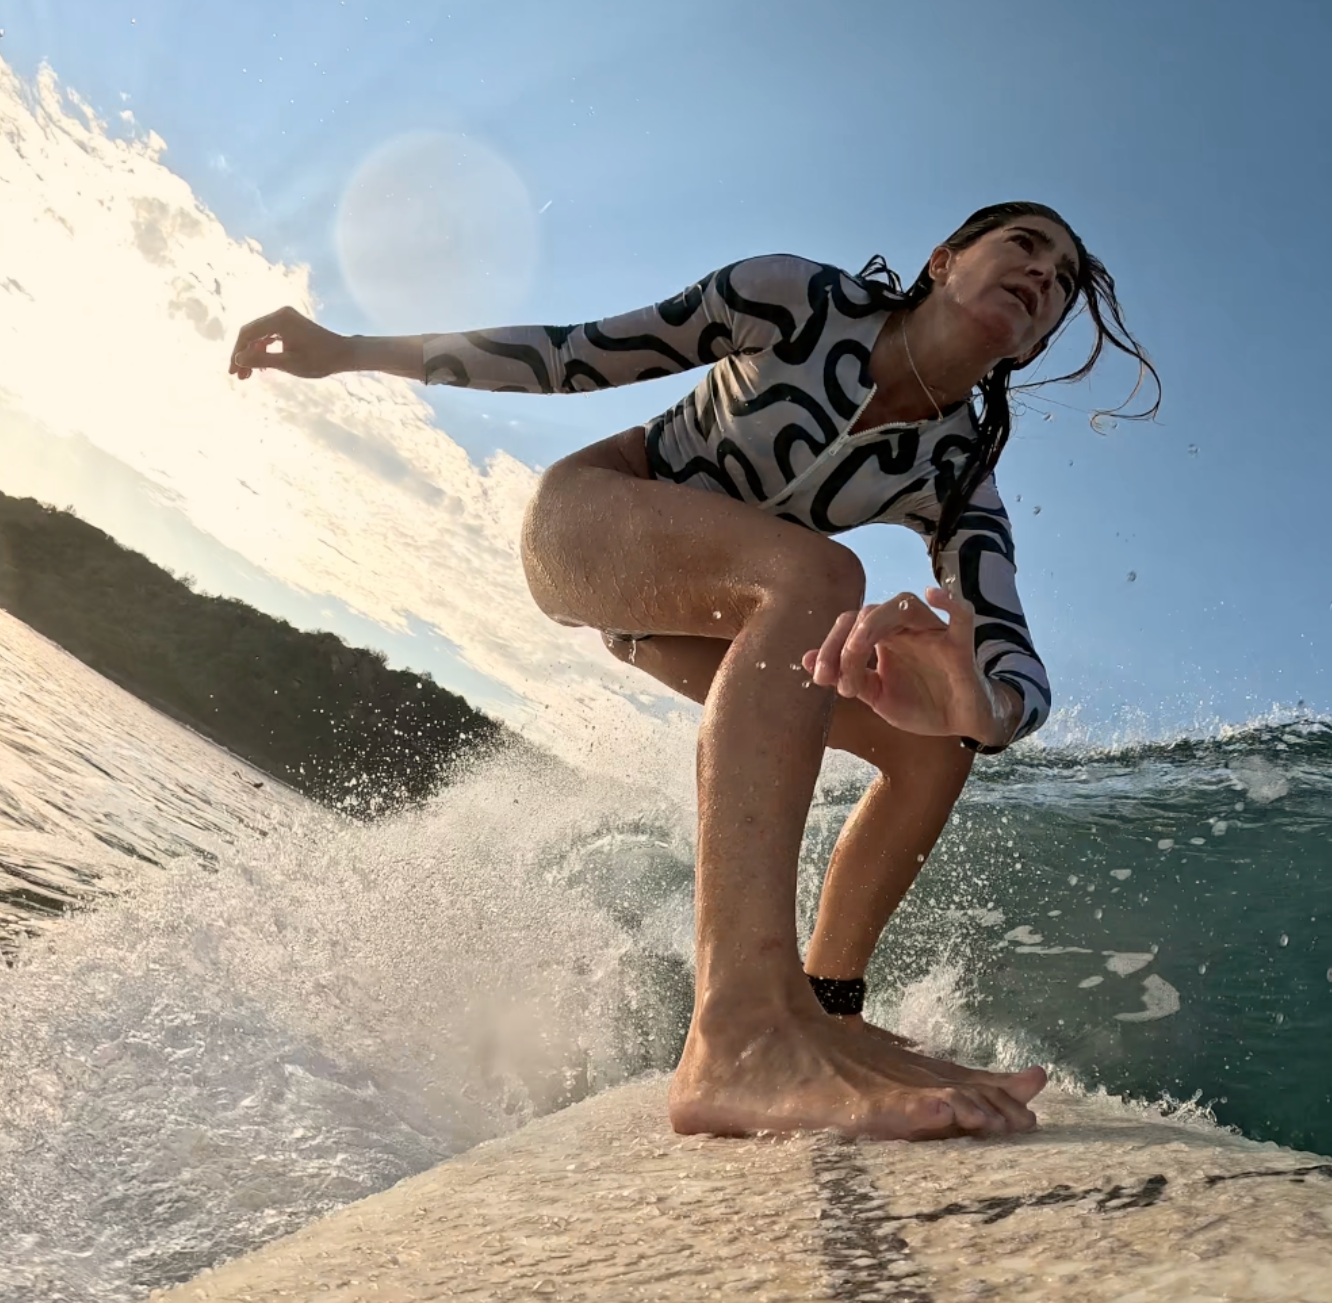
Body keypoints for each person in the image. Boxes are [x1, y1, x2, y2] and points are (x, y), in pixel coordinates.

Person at [229, 201, 1158, 1141]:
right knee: (821, 575)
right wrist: (346, 350)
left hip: (700, 623)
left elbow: (1013, 660)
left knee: (938, 747)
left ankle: (826, 1013)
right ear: (945, 258)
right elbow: (569, 353)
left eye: (1066, 281)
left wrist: (979, 706)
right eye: (1026, 246)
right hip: (592, 523)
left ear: (1038, 340)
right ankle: (739, 1030)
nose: (1046, 277)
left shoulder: (958, 469)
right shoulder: (799, 301)